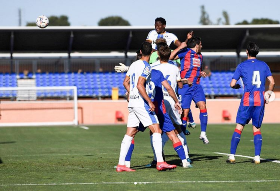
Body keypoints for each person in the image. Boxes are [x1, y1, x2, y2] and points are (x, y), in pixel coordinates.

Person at [116, 42, 177, 172]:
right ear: (152, 53)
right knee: (157, 130)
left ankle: (121, 164)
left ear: (140, 51)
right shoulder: (147, 67)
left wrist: (130, 95)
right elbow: (140, 85)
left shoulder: (133, 64)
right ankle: (160, 162)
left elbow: (125, 82)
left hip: (132, 103)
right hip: (141, 103)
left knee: (130, 133)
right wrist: (149, 101)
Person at [226, 42, 275, 164]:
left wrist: (237, 86)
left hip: (248, 98)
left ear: (247, 51)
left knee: (239, 127)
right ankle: (257, 157)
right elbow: (272, 82)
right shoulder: (264, 65)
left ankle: (232, 156)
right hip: (260, 99)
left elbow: (232, 84)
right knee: (257, 128)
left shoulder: (242, 66)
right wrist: (268, 93)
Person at [147, 45, 192, 168]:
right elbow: (178, 84)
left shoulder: (153, 67)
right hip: (172, 100)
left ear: (159, 56)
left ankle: (157, 159)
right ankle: (186, 158)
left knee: (154, 131)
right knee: (177, 129)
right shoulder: (174, 68)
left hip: (158, 101)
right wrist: (178, 99)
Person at [170, 36, 209, 144]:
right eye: (200, 44)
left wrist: (201, 73)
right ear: (197, 45)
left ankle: (203, 133)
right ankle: (181, 137)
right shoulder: (185, 52)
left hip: (197, 86)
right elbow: (170, 57)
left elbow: (198, 70)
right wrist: (180, 47)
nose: (201, 46)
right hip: (185, 86)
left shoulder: (200, 56)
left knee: (203, 106)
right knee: (185, 112)